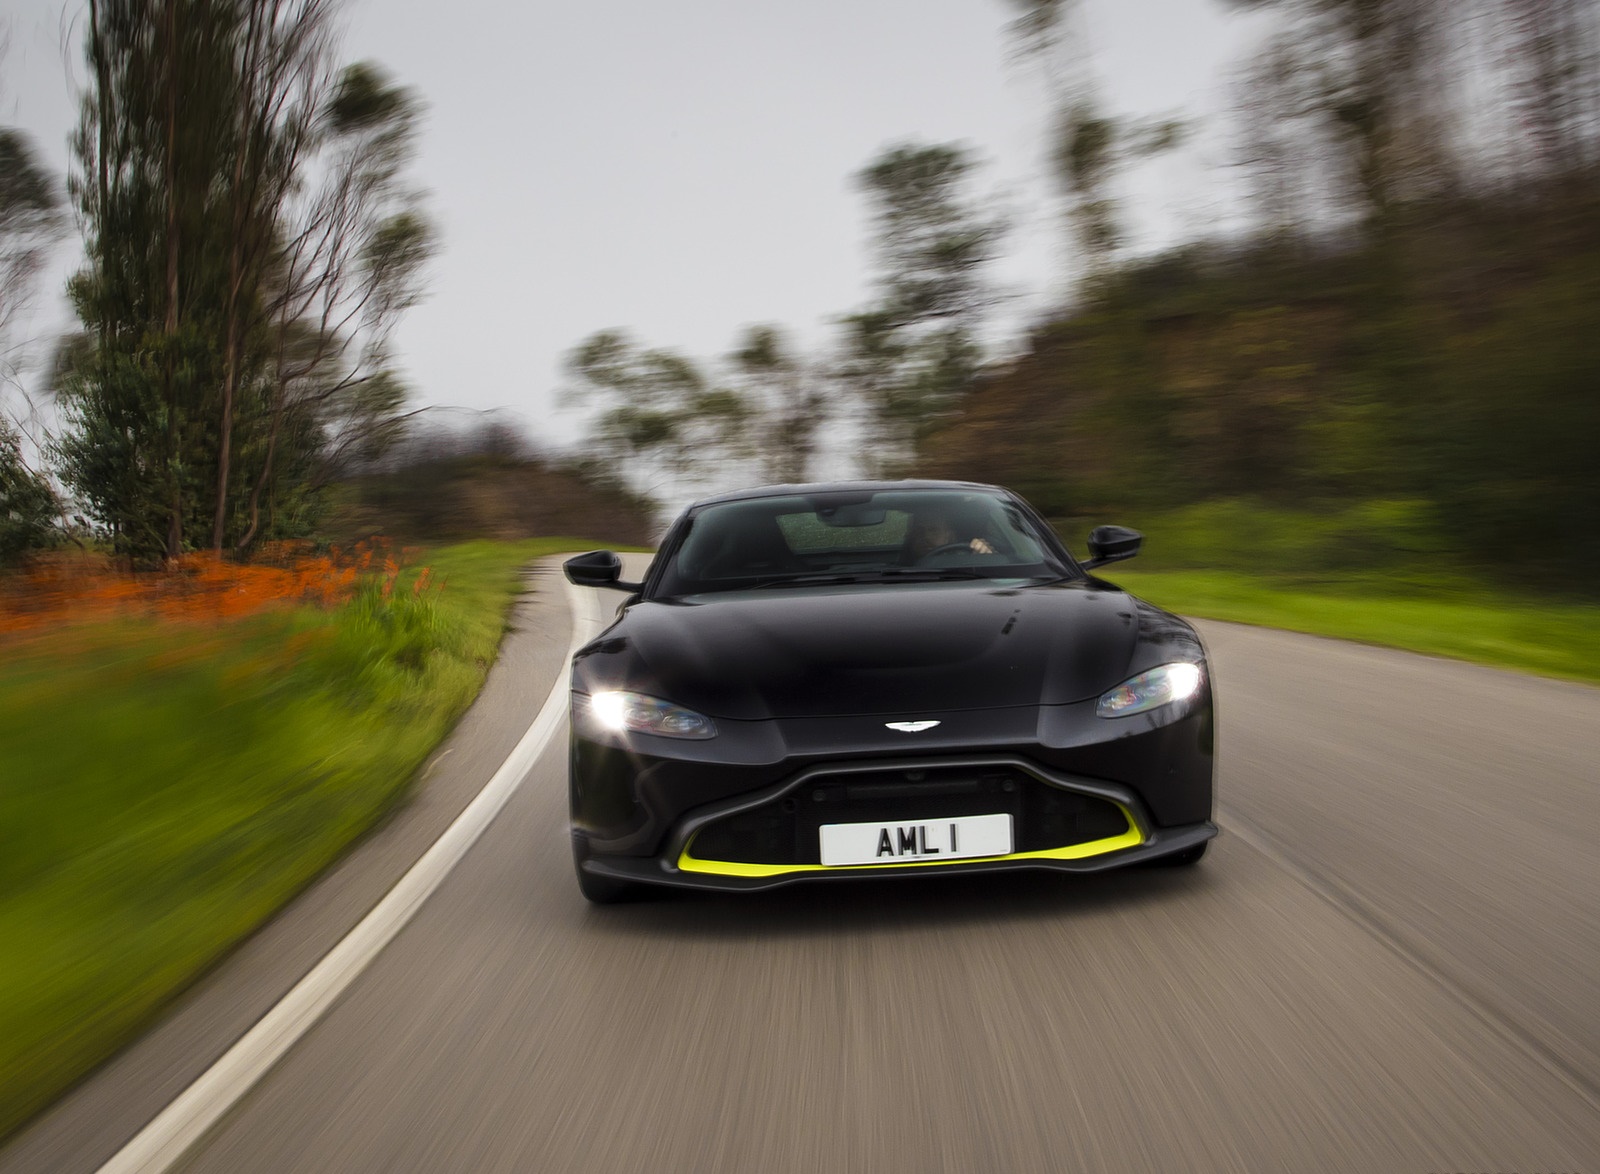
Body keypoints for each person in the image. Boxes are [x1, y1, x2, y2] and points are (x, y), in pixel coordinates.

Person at [904, 507, 995, 562]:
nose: (926, 536)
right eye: (919, 530)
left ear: (949, 535)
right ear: (912, 536)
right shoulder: (895, 571)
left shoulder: (966, 561)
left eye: (933, 530)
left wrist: (986, 556)